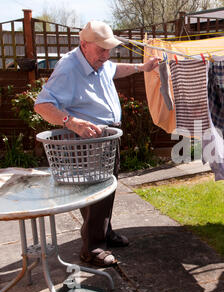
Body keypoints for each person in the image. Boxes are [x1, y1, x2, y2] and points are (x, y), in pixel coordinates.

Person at [34, 21, 159, 267]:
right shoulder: (69, 67)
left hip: (106, 138)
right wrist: (70, 121)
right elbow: (41, 105)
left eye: (108, 49)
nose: (106, 55)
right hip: (87, 142)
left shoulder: (98, 61)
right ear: (84, 45)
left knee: (107, 189)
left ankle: (105, 232)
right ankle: (92, 249)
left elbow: (115, 69)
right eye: (102, 50)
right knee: (95, 194)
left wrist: (142, 67)